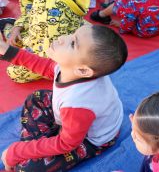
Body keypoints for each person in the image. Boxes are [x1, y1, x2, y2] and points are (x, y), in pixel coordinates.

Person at [0, 25, 127, 171]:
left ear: (83, 70)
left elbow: (66, 144)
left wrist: (15, 152)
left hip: (89, 140)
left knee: (28, 168)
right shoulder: (75, 69)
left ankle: (30, 152)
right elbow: (45, 66)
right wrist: (7, 51)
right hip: (74, 123)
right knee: (37, 98)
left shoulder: (78, 103)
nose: (62, 38)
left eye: (73, 43)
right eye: (73, 34)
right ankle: (33, 149)